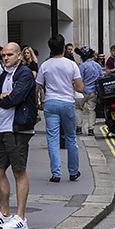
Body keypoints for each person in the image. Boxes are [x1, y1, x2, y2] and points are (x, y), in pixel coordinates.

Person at [0, 42, 37, 229]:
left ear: (19, 56)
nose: (5, 58)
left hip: (18, 129)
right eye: (3, 55)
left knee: (18, 171)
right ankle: (5, 214)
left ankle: (21, 217)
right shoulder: (4, 75)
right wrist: (1, 97)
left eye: (9, 55)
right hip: (3, 129)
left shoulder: (24, 74)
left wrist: (4, 98)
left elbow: (15, 99)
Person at [37, 35, 84, 183]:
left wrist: (36, 103)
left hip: (50, 103)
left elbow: (37, 86)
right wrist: (70, 84)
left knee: (52, 139)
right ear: (64, 48)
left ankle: (56, 173)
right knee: (71, 138)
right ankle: (73, 171)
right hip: (67, 103)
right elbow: (80, 88)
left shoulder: (45, 65)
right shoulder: (71, 65)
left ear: (50, 49)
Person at [76, 47, 102, 136]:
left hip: (83, 91)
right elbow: (101, 78)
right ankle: (91, 129)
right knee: (92, 110)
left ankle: (79, 128)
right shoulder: (97, 65)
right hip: (93, 91)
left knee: (78, 109)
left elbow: (79, 79)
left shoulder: (82, 66)